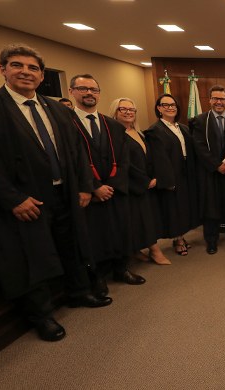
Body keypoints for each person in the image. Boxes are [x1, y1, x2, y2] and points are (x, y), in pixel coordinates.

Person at [0, 43, 111, 342]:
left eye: (33, 68)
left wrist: (85, 187)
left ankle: (78, 292)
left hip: (65, 195)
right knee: (32, 256)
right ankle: (41, 315)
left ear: (42, 74)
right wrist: (11, 198)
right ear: (3, 69)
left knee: (70, 244)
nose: (26, 72)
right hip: (24, 200)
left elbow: (76, 154)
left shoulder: (57, 109)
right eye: (17, 65)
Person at [68, 74, 144, 291]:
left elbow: (123, 160)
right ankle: (97, 275)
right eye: (83, 89)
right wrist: (94, 187)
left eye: (93, 89)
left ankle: (122, 268)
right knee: (95, 234)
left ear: (99, 94)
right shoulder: (65, 124)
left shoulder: (113, 125)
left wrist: (111, 185)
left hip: (115, 189)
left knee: (121, 229)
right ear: (71, 91)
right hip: (88, 193)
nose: (89, 93)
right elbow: (70, 161)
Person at [110, 97, 171, 265]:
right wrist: (144, 181)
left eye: (132, 110)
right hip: (131, 185)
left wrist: (155, 176)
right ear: (115, 112)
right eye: (124, 109)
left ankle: (136, 250)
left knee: (146, 218)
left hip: (147, 183)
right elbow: (124, 164)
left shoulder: (138, 133)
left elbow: (148, 157)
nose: (129, 112)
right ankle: (154, 250)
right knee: (139, 220)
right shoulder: (114, 135)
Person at [144, 94, 199, 256]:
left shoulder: (182, 128)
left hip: (185, 172)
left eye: (173, 105)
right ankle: (178, 239)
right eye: (165, 105)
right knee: (173, 209)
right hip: (170, 175)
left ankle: (181, 236)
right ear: (159, 109)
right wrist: (167, 180)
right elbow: (159, 158)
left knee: (183, 207)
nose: (170, 107)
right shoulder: (155, 131)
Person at [190, 85, 225, 255]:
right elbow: (199, 147)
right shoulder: (199, 120)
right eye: (215, 98)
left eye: (222, 99)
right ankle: (211, 240)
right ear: (210, 100)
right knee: (210, 206)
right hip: (209, 171)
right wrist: (216, 165)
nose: (219, 102)